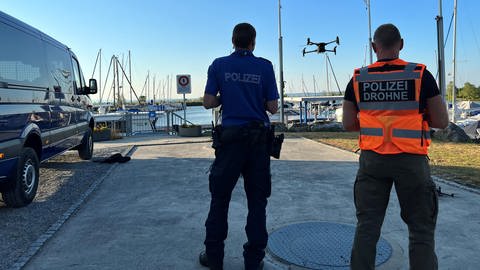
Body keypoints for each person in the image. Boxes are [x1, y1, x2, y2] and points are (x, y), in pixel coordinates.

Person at [342, 23, 449, 270]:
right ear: (401, 44)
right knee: (421, 230)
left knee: (367, 227)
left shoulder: (359, 78)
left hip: (372, 160)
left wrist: (375, 122)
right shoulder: (420, 74)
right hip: (411, 161)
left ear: (373, 47)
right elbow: (441, 121)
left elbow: (348, 124)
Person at [199, 22, 279, 270]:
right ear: (253, 42)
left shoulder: (219, 65)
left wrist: (228, 96)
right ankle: (253, 262)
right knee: (257, 202)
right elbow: (273, 107)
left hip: (230, 142)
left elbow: (208, 102)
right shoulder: (265, 66)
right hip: (257, 143)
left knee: (219, 199)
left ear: (233, 41)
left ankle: (214, 259)